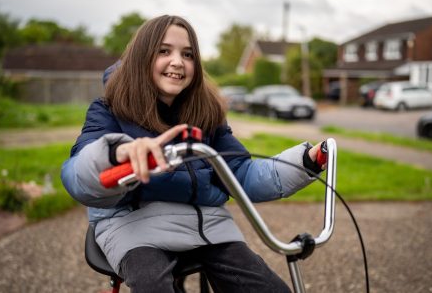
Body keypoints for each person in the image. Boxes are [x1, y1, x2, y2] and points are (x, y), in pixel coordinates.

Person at [61, 15, 326, 293]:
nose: (177, 61)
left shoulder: (206, 113)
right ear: (141, 57)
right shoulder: (109, 108)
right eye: (164, 51)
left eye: (187, 54)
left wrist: (305, 162)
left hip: (205, 225)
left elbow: (241, 175)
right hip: (133, 226)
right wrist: (117, 154)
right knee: (153, 285)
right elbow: (76, 174)